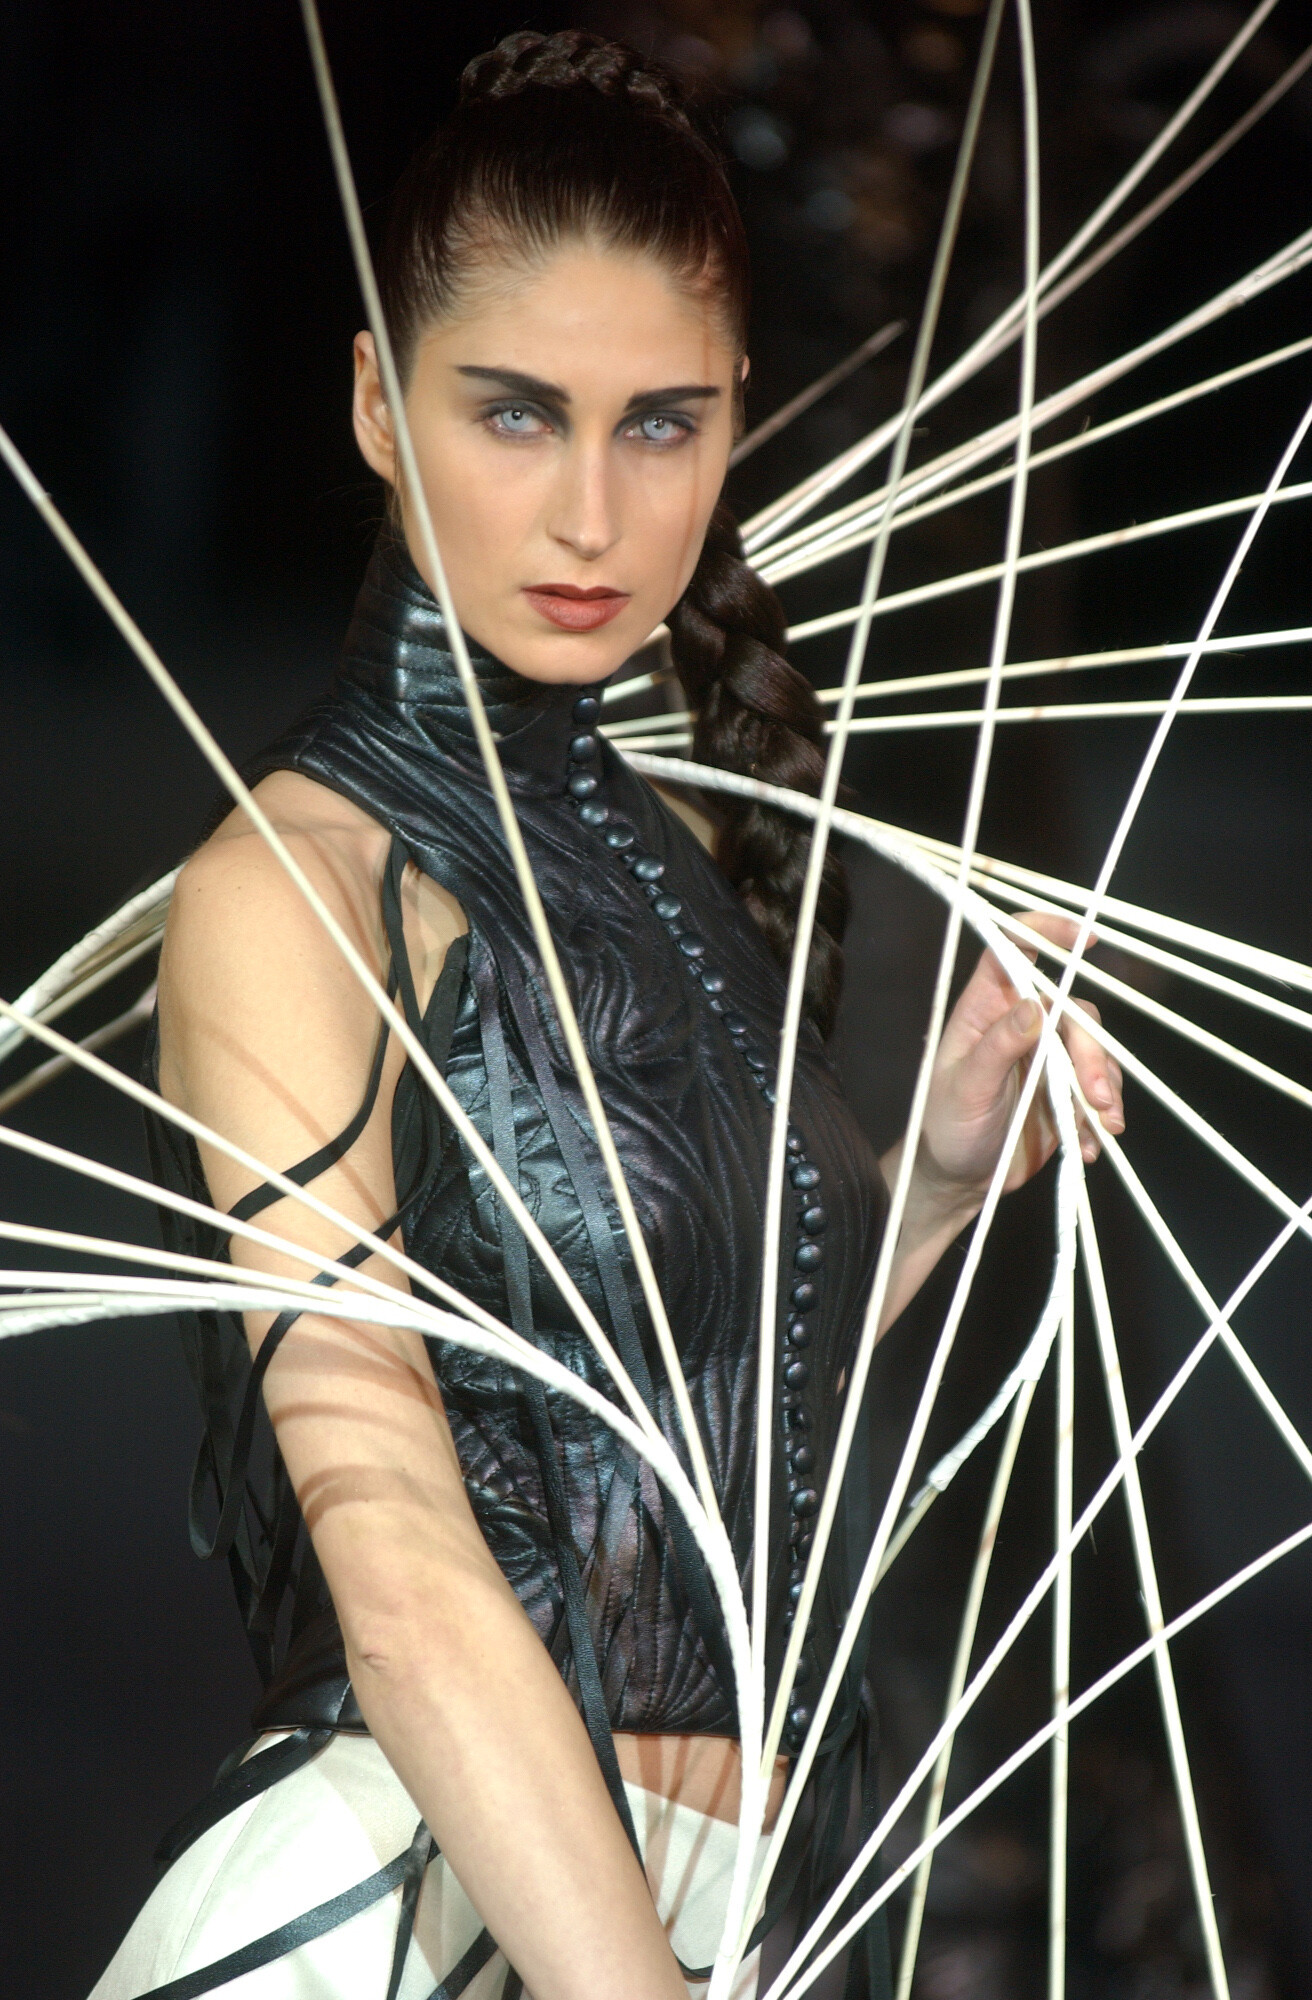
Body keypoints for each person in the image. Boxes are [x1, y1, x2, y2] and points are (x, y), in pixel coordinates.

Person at [90, 31, 1123, 2000]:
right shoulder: (294, 892)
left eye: (659, 424)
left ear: (734, 428)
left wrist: (923, 1182)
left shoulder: (669, 840)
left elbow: (664, 1410)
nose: (589, 513)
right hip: (398, 1923)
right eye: (514, 413)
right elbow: (402, 1565)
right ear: (377, 404)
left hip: (686, 1913)